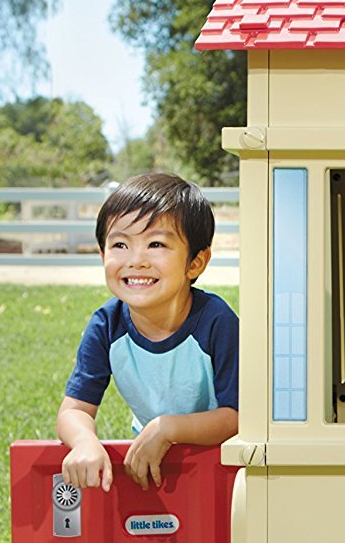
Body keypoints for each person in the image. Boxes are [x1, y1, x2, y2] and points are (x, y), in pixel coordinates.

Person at [57, 173, 239, 492]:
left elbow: (237, 417)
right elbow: (74, 409)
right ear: (103, 255)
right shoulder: (107, 325)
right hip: (153, 462)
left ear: (195, 263)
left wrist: (167, 428)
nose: (136, 260)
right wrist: (84, 442)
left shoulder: (217, 322)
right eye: (120, 244)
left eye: (156, 244)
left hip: (223, 467)